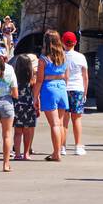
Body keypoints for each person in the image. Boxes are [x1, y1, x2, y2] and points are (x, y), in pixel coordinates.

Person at [32, 30, 70, 162]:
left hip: (49, 89)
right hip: (62, 88)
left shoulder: (43, 59)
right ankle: (59, 150)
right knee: (60, 124)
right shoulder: (64, 56)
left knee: (54, 124)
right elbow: (67, 76)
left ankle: (56, 153)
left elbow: (39, 80)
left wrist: (35, 97)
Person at [62, 31, 89, 156]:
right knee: (77, 119)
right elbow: (85, 76)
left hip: (64, 89)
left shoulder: (60, 56)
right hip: (78, 89)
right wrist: (85, 92)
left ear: (63, 42)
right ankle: (78, 146)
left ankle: (62, 147)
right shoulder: (80, 57)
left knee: (64, 120)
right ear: (75, 43)